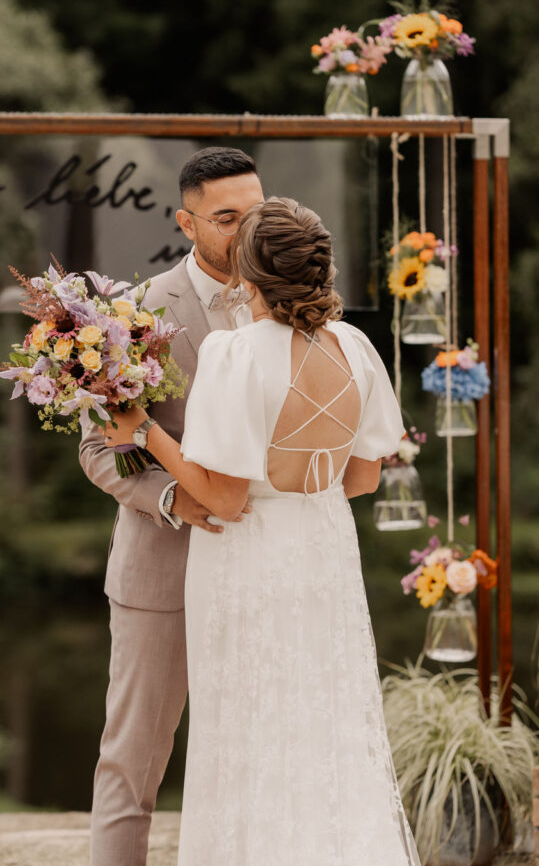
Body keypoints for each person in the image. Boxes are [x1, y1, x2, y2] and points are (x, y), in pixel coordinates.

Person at [102, 196, 422, 866]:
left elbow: (221, 498)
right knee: (322, 725)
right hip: (322, 551)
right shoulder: (355, 347)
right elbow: (362, 479)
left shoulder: (234, 351)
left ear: (246, 272)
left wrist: (145, 432)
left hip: (246, 559)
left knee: (246, 724)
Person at [79, 146, 264, 866]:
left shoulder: (289, 302)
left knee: (254, 757)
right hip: (162, 572)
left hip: (265, 567)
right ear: (186, 222)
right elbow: (99, 451)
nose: (245, 230)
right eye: (226, 218)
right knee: (133, 761)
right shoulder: (141, 313)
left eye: (256, 211)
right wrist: (171, 500)